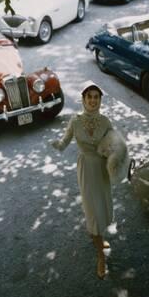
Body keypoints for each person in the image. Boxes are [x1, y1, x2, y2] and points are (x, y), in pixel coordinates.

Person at [51, 81, 114, 279]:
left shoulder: (105, 121)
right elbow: (64, 142)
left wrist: (113, 155)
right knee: (92, 211)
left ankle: (99, 237)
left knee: (102, 208)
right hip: (86, 169)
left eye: (96, 97)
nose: (93, 100)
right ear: (83, 99)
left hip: (102, 170)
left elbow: (114, 146)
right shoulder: (75, 121)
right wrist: (56, 144)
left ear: (100, 100)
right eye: (90, 97)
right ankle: (100, 256)